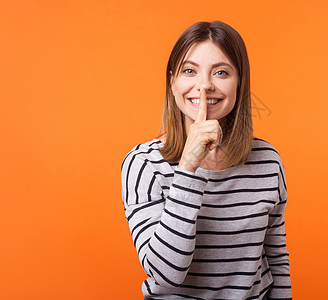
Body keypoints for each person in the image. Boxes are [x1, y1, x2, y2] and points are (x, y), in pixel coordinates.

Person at [121, 20, 292, 300]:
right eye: (190, 71)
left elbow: (276, 259)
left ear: (239, 83)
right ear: (173, 82)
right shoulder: (143, 164)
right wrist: (189, 167)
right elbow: (166, 275)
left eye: (221, 72)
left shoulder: (268, 161)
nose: (204, 86)